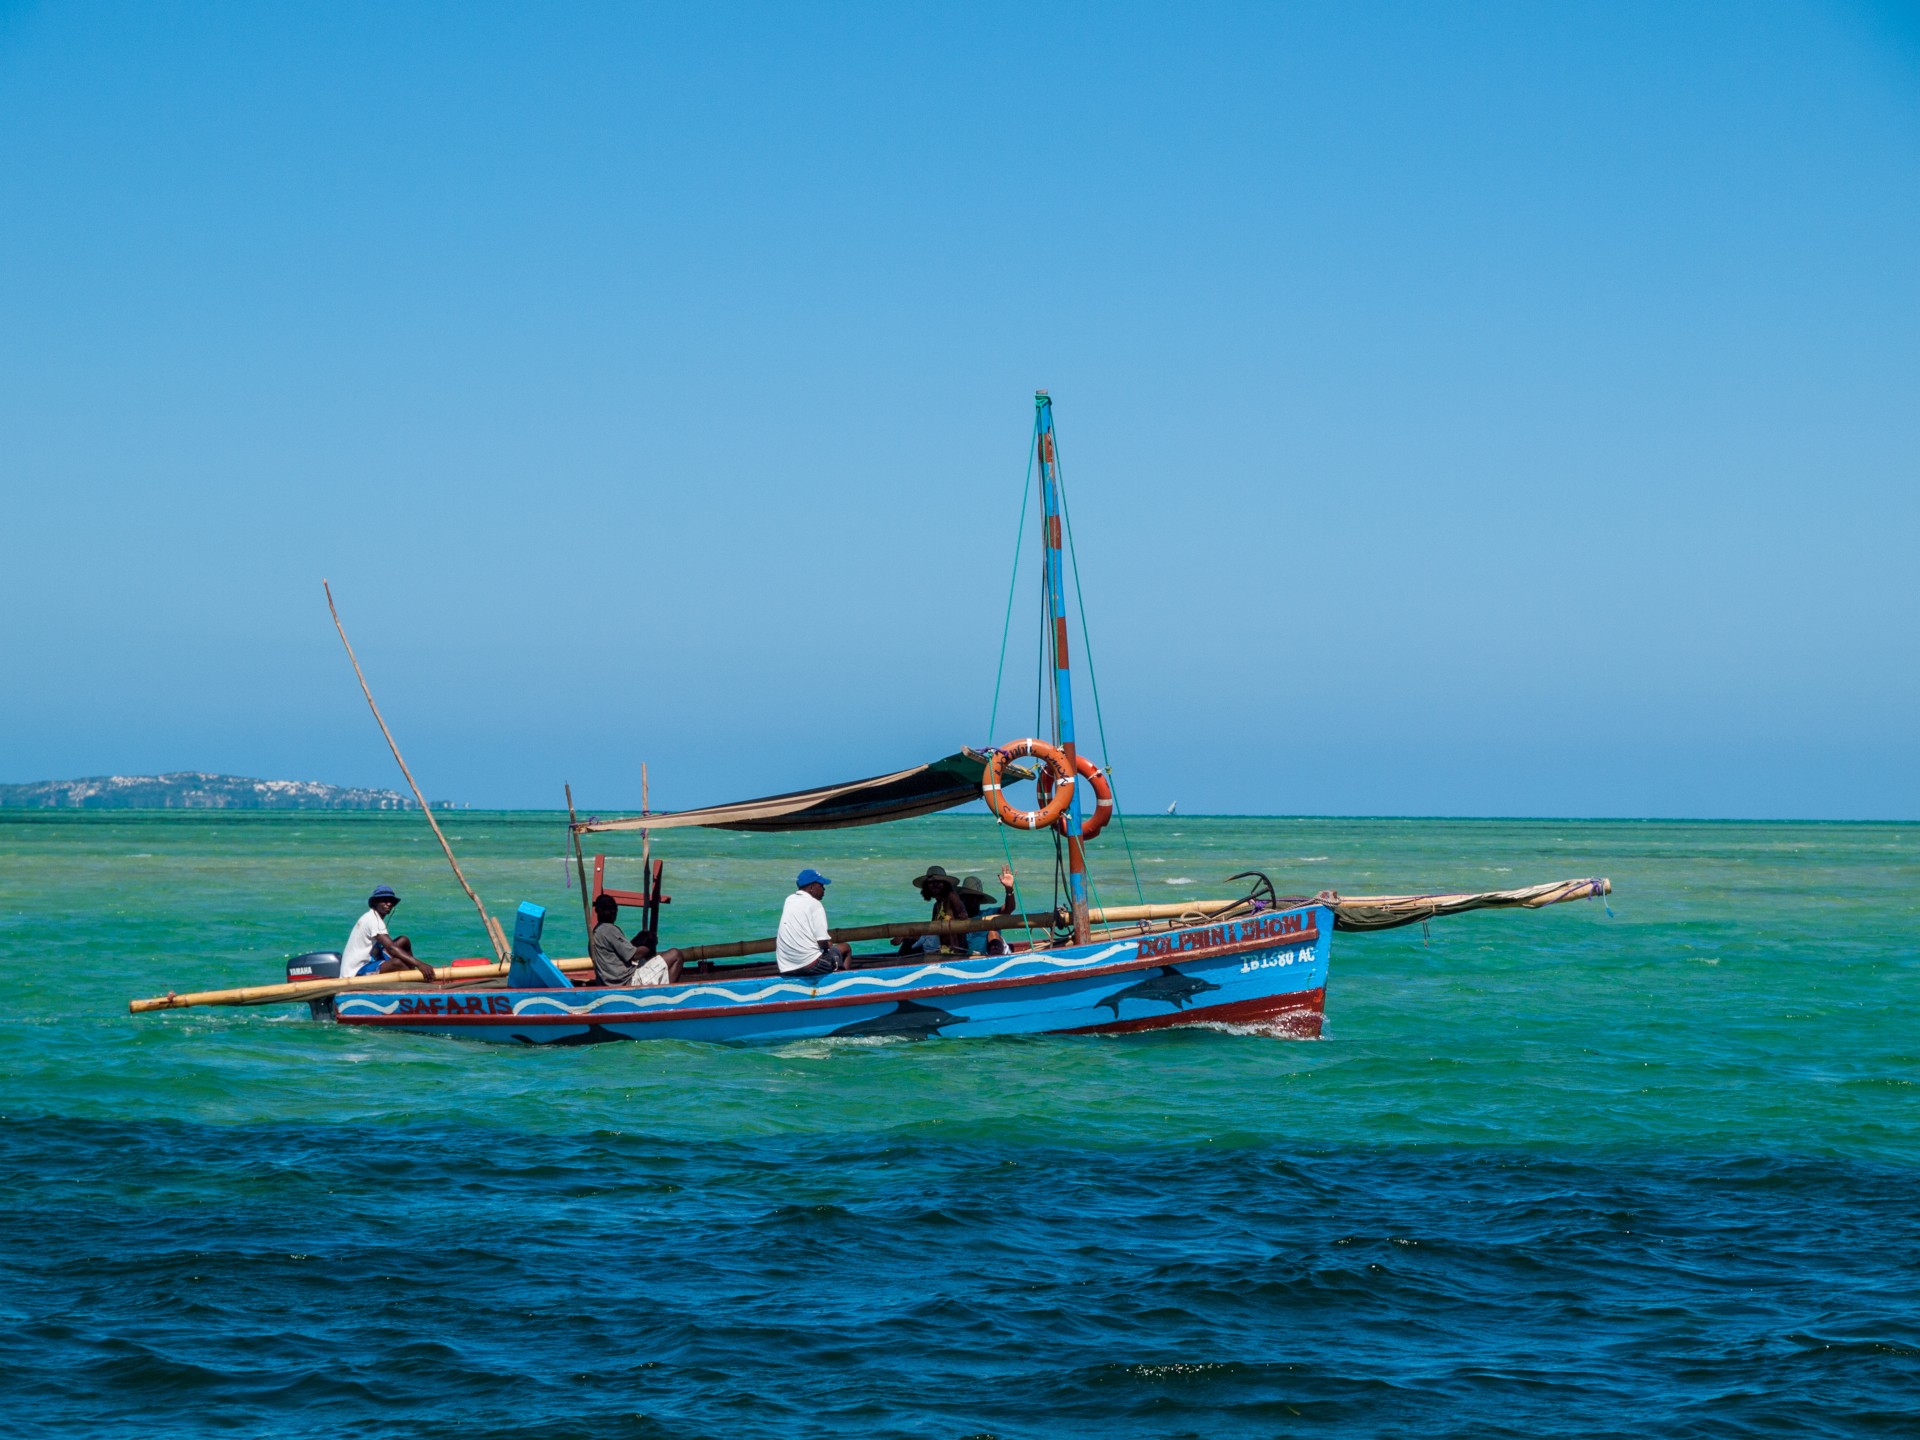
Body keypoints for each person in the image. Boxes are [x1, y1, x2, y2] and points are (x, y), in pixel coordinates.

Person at [589, 894, 684, 986]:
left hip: (612, 982)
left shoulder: (595, 934)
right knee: (676, 954)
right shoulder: (609, 929)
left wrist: (637, 939)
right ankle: (667, 995)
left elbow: (621, 952)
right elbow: (635, 955)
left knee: (648, 960)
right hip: (628, 981)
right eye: (611, 910)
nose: (613, 912)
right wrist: (651, 943)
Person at [341, 885, 432, 979]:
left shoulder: (372, 917)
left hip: (372, 957)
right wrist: (420, 964)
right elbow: (391, 948)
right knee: (396, 963)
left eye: (391, 901)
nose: (389, 904)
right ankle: (416, 977)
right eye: (384, 900)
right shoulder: (373, 920)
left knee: (404, 940)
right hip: (358, 970)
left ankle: (410, 971)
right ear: (375, 903)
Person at [777, 869, 851, 978]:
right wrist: (828, 944)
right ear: (812, 888)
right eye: (821, 885)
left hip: (786, 967)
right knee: (845, 947)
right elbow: (822, 942)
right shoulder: (815, 904)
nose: (824, 889)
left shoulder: (789, 900)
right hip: (810, 966)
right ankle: (845, 982)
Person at [899, 864, 971, 955]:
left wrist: (962, 916)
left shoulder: (951, 896)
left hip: (954, 950)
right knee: (907, 942)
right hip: (938, 948)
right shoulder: (936, 906)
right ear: (926, 886)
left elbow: (963, 913)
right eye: (931, 883)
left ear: (945, 884)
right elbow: (932, 931)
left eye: (938, 882)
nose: (935, 885)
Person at [958, 866, 1018, 955]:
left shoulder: (989, 914)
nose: (972, 900)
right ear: (962, 898)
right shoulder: (957, 919)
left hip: (988, 956)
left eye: (976, 897)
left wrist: (1009, 890)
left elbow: (1009, 909)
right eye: (969, 897)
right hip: (965, 959)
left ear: (980, 900)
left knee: (992, 932)